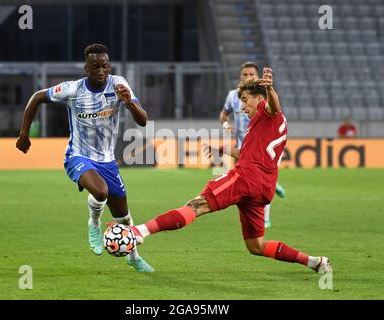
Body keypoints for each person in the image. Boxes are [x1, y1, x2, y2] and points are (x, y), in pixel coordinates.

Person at [117, 69, 331, 274]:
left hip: (246, 177)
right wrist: (221, 148)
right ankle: (314, 262)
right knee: (256, 246)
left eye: (246, 100)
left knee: (196, 205)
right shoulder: (265, 125)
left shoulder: (267, 111)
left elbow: (274, 107)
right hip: (264, 188)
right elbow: (247, 152)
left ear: (259, 97)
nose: (243, 106)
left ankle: (138, 232)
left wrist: (270, 90)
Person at [16, 43, 154, 272]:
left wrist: (128, 102)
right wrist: (24, 134)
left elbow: (143, 120)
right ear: (86, 68)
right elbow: (37, 97)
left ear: (109, 66)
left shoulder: (119, 84)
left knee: (124, 217)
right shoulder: (73, 90)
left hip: (108, 161)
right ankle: (94, 224)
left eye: (104, 66)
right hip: (78, 156)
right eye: (95, 67)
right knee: (100, 191)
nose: (100, 71)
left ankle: (134, 257)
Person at [219, 61, 286, 228]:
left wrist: (270, 88)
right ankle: (256, 210)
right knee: (248, 181)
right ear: (240, 76)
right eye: (245, 74)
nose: (248, 77)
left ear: (257, 78)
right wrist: (226, 125)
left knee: (259, 182)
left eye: (251, 75)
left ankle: (265, 218)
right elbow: (223, 114)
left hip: (265, 145)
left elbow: (274, 108)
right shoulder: (232, 96)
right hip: (244, 143)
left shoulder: (263, 98)